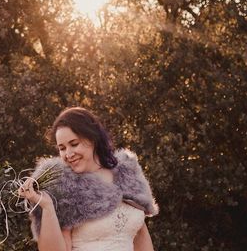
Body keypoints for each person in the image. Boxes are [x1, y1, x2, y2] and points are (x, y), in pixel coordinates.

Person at [18, 107, 158, 251]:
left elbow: (140, 235)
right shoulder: (65, 187)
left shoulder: (127, 175)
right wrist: (47, 207)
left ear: (92, 139)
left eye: (74, 144)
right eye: (62, 148)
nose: (68, 154)